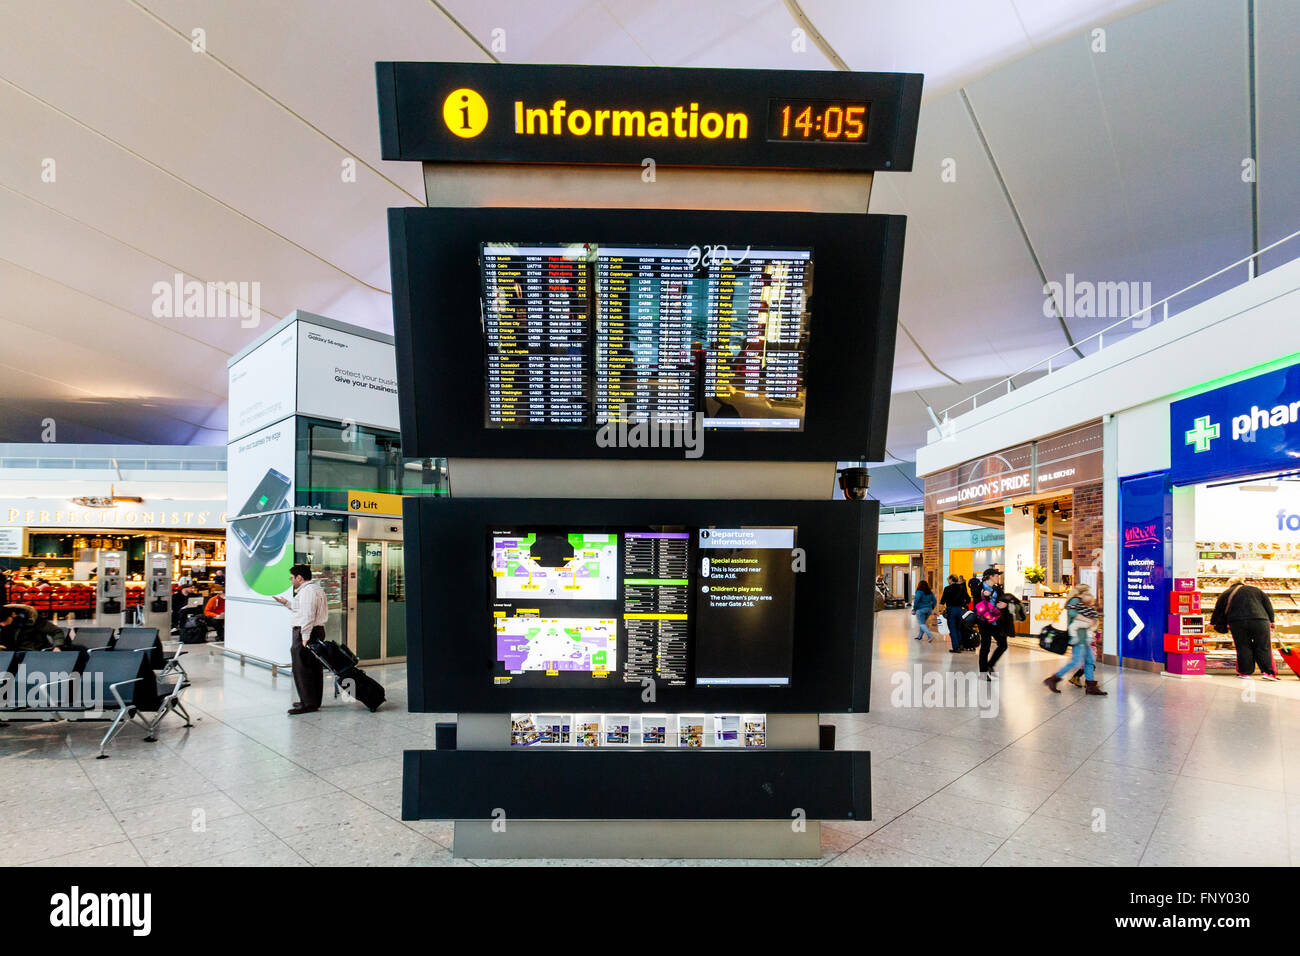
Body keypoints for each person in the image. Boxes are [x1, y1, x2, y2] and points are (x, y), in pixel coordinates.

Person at [274, 564, 329, 715]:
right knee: (314, 668)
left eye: (292, 578)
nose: (291, 581)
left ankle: (308, 703)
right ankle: (312, 700)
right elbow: (303, 610)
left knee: (302, 668)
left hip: (306, 633)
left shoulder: (307, 592)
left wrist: (304, 637)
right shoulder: (315, 589)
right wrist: (286, 603)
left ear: (299, 577)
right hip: (316, 631)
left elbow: (307, 616)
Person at [1211, 572, 1278, 680]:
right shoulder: (1256, 590)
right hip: (1260, 620)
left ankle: (1245, 673)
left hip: (1237, 622)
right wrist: (1272, 620)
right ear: (1242, 582)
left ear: (1230, 583)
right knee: (1262, 646)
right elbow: (1268, 605)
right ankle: (1268, 672)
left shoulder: (1226, 593)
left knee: (1243, 646)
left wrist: (1213, 622)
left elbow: (1218, 609)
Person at [1044, 584, 1107, 695]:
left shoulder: (1081, 601)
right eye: (1087, 592)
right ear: (1081, 593)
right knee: (1076, 662)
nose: (1088, 594)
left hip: (1084, 637)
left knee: (1090, 660)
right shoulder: (1075, 600)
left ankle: (1090, 686)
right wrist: (1088, 621)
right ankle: (1053, 679)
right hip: (1078, 637)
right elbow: (1072, 613)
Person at [977, 568, 1010, 679]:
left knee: (1003, 644)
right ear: (990, 576)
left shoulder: (997, 588)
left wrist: (1004, 604)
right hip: (984, 622)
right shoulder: (979, 588)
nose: (998, 577)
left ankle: (990, 665)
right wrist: (985, 597)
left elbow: (1003, 600)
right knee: (985, 647)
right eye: (996, 575)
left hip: (996, 621)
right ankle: (983, 673)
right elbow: (977, 604)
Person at [0, 603, 69, 651]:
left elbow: (56, 632)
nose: (2, 624)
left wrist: (57, 646)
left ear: (13, 614)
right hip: (11, 654)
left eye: (4, 620)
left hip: (34, 653)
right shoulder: (3, 625)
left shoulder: (33, 620)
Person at [940, 574, 969, 653]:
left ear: (951, 580)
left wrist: (941, 610)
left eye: (948, 579)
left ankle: (956, 647)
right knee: (958, 628)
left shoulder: (947, 588)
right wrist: (963, 604)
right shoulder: (962, 588)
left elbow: (942, 601)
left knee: (952, 629)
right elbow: (968, 599)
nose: (948, 581)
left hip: (951, 610)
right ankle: (960, 645)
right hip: (960, 610)